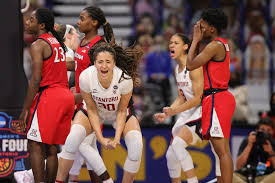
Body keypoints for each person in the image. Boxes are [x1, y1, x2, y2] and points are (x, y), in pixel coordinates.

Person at [11, 8, 75, 183]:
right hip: (65, 96)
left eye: (31, 20)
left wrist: (25, 109)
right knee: (52, 148)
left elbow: (35, 79)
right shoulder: (56, 41)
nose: (26, 22)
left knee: (34, 143)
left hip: (50, 96)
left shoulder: (37, 45)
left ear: (41, 25)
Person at [56, 6, 114, 183]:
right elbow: (78, 66)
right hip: (85, 102)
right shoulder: (82, 43)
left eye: (82, 18)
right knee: (88, 148)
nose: (78, 22)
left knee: (77, 143)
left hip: (95, 102)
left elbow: (104, 78)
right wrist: (54, 64)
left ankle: (30, 174)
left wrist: (78, 97)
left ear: (94, 22)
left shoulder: (99, 45)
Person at [186, 8, 236, 183]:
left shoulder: (215, 45)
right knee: (220, 151)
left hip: (217, 98)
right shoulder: (221, 44)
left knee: (222, 151)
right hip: (218, 98)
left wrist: (195, 39)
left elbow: (190, 64)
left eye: (203, 25)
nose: (199, 27)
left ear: (213, 29)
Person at [154, 33, 202, 183]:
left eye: (176, 43)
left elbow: (198, 98)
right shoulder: (177, 69)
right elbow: (181, 97)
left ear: (186, 46)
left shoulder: (193, 66)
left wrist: (175, 111)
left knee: (178, 145)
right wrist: (168, 112)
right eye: (170, 43)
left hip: (201, 111)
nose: (171, 45)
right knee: (170, 155)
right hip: (187, 112)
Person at [233, 117, 275, 183]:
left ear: (272, 131)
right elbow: (238, 166)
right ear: (257, 131)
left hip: (265, 178)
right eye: (263, 129)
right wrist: (249, 145)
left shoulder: (273, 143)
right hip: (245, 176)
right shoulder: (247, 141)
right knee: (230, 175)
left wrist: (271, 153)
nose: (265, 132)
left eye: (268, 130)